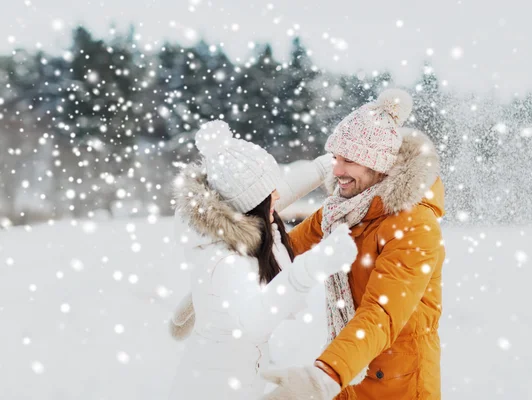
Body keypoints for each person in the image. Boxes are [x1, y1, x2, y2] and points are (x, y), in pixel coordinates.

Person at [261, 88, 446, 400]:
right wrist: (241, 255)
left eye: (349, 161)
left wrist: (326, 374)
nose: (337, 171)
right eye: (336, 158)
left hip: (399, 385)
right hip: (350, 374)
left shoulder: (414, 225)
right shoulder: (343, 210)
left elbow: (381, 313)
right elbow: (288, 252)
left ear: (378, 165)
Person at [167, 120, 358, 400]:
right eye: (270, 194)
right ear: (251, 205)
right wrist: (313, 266)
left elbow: (282, 190)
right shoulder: (229, 260)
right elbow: (255, 321)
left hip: (226, 378)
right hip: (218, 390)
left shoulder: (234, 226)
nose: (278, 196)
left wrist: (327, 165)